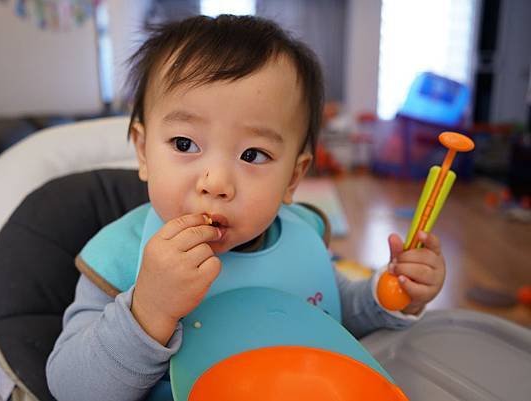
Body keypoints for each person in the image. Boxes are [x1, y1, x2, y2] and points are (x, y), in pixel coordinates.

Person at [46, 14, 446, 401]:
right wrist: (146, 311)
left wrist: (393, 295)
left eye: (253, 154)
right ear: (143, 151)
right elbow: (71, 388)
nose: (216, 183)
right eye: (185, 145)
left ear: (293, 177)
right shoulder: (120, 257)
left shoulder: (301, 237)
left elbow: (334, 315)